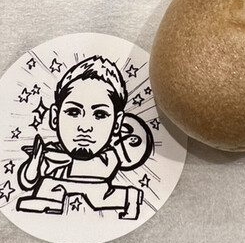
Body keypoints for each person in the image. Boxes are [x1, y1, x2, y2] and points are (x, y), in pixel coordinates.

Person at [16, 55, 152, 218]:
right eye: (73, 112)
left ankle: (129, 197)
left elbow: (101, 169)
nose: (85, 127)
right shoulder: (52, 150)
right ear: (54, 117)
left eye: (100, 114)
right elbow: (27, 181)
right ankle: (47, 201)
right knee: (47, 185)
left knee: (101, 199)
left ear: (117, 123)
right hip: (58, 186)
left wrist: (62, 161)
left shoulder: (109, 156)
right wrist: (35, 162)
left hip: (96, 189)